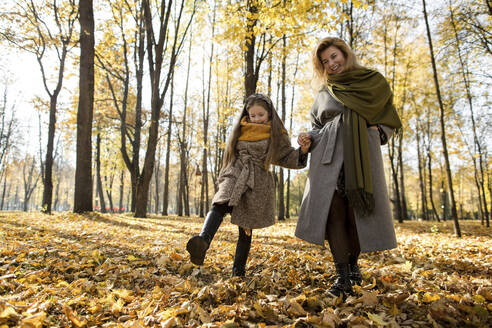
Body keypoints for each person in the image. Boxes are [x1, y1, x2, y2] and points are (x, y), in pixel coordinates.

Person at [296, 37, 402, 298]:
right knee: (333, 212)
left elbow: (389, 117)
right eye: (325, 61)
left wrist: (379, 133)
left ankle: (353, 267)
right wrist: (307, 137)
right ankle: (342, 274)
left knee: (357, 212)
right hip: (327, 157)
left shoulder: (372, 81)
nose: (331, 64)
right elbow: (316, 125)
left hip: (362, 155)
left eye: (334, 56)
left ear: (345, 54)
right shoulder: (324, 93)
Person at [186, 93, 311, 277]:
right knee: (220, 202)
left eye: (260, 115)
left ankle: (238, 271)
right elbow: (231, 153)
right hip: (236, 171)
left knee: (245, 227)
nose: (256, 119)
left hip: (256, 180)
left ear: (269, 113)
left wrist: (303, 150)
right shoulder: (240, 129)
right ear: (247, 114)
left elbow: (286, 156)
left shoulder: (275, 134)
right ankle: (203, 241)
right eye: (253, 115)